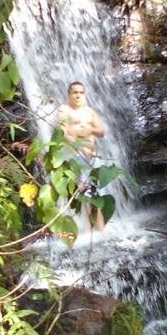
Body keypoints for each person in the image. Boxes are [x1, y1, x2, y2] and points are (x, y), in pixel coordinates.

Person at [57, 81, 106, 231]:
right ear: (69, 94)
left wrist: (90, 128)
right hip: (76, 155)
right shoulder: (64, 110)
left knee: (98, 194)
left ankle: (100, 231)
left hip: (93, 157)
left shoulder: (89, 112)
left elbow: (102, 132)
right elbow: (63, 134)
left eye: (81, 92)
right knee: (85, 194)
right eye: (75, 92)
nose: (78, 95)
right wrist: (81, 147)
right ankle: (91, 232)